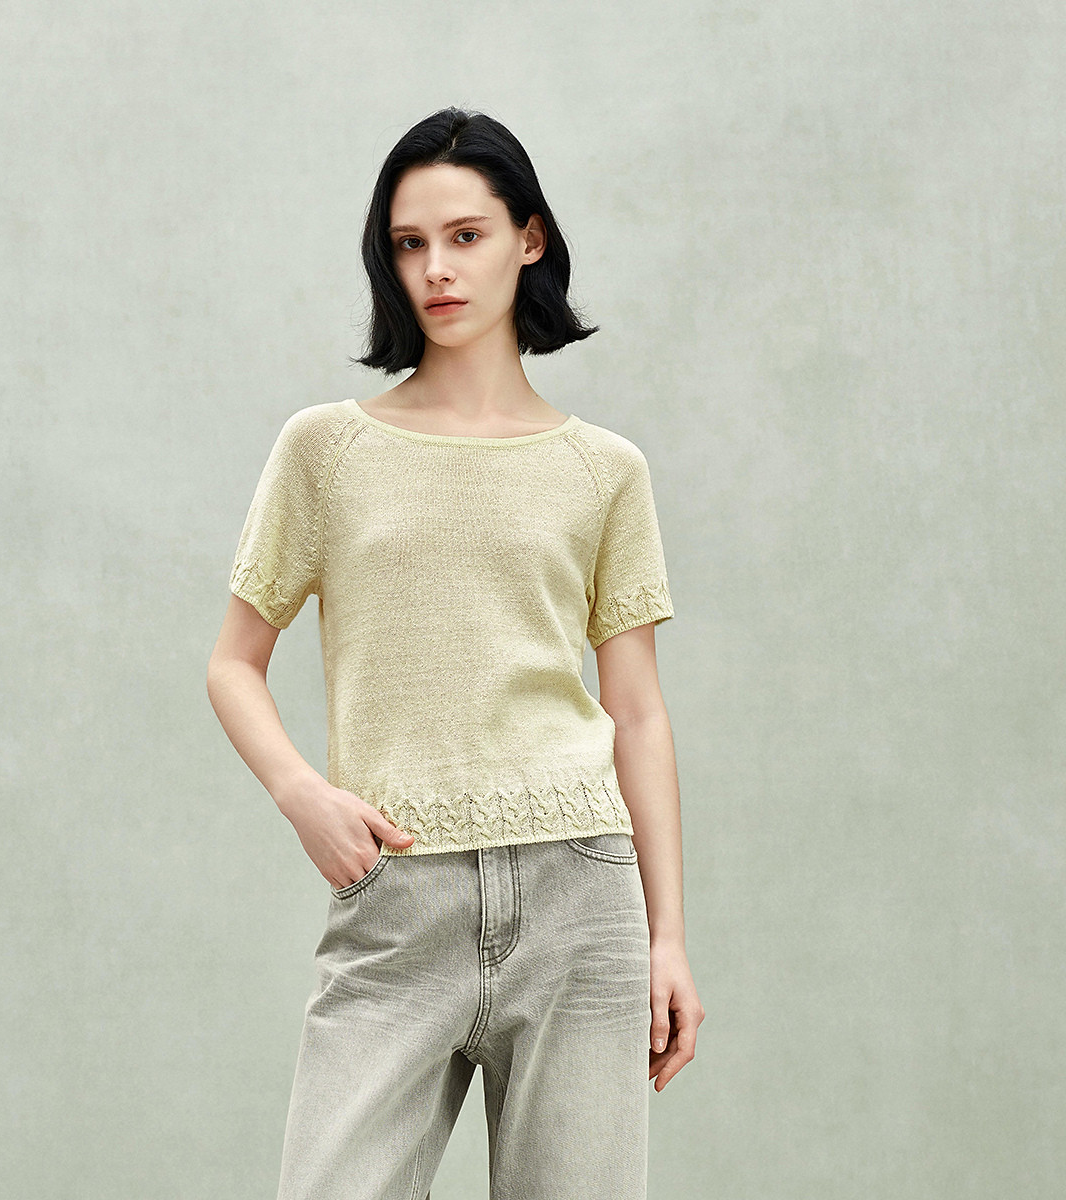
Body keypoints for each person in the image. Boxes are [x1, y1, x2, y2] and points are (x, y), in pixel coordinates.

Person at [206, 106, 704, 1200]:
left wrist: (668, 938)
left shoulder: (604, 470)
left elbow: (638, 712)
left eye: (465, 235)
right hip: (397, 898)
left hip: (581, 894)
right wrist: (303, 794)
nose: (435, 268)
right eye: (409, 243)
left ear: (530, 238)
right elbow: (233, 662)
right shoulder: (327, 449)